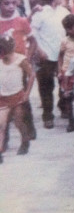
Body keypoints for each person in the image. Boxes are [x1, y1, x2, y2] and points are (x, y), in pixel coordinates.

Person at [0, 0, 37, 143]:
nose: (10, 7)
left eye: (13, 3)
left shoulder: (21, 21)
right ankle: (4, 136)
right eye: (6, 3)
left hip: (19, 65)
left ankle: (28, 130)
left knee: (22, 99)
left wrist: (27, 57)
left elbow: (33, 40)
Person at [31, 0, 70, 128]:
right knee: (46, 85)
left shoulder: (64, 12)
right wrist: (38, 50)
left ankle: (64, 107)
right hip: (45, 54)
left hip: (62, 54)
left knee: (64, 83)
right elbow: (33, 33)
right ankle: (47, 115)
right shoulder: (41, 13)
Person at [0, 34, 34, 163]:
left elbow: (31, 75)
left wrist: (27, 93)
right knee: (1, 125)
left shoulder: (20, 59)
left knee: (19, 122)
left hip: (17, 96)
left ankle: (25, 140)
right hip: (3, 97)